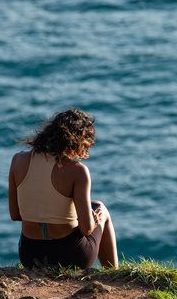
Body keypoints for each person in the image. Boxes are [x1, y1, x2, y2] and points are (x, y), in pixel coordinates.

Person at [8, 108, 118, 269]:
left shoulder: (18, 160)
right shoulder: (78, 171)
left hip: (30, 256)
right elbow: (86, 229)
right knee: (100, 208)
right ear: (78, 142)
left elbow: (16, 215)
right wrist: (94, 221)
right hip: (71, 257)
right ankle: (113, 273)